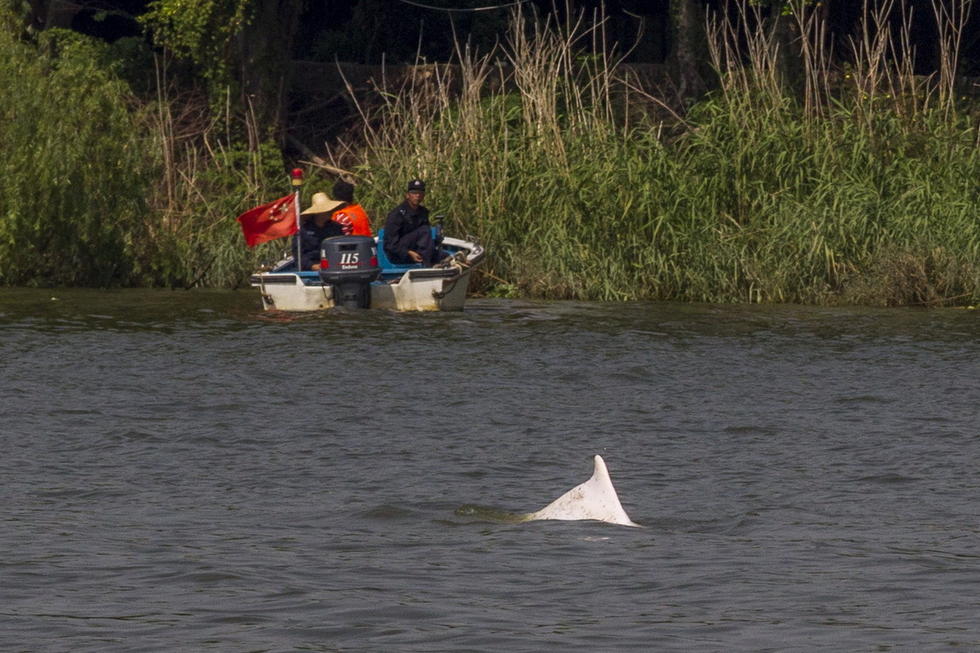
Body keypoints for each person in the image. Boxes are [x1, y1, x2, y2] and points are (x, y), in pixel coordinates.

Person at [383, 178, 440, 266]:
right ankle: (426, 264)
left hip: (416, 249)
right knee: (424, 230)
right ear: (407, 195)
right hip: (398, 254)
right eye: (414, 193)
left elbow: (424, 239)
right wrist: (409, 252)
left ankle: (428, 259)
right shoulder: (397, 214)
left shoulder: (423, 212)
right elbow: (390, 245)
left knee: (443, 256)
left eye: (420, 193)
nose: (417, 196)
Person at [295, 193, 345, 271]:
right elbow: (298, 254)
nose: (330, 212)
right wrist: (312, 266)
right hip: (310, 270)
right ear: (317, 212)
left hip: (334, 267)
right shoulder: (303, 230)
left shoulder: (336, 228)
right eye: (326, 210)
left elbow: (343, 249)